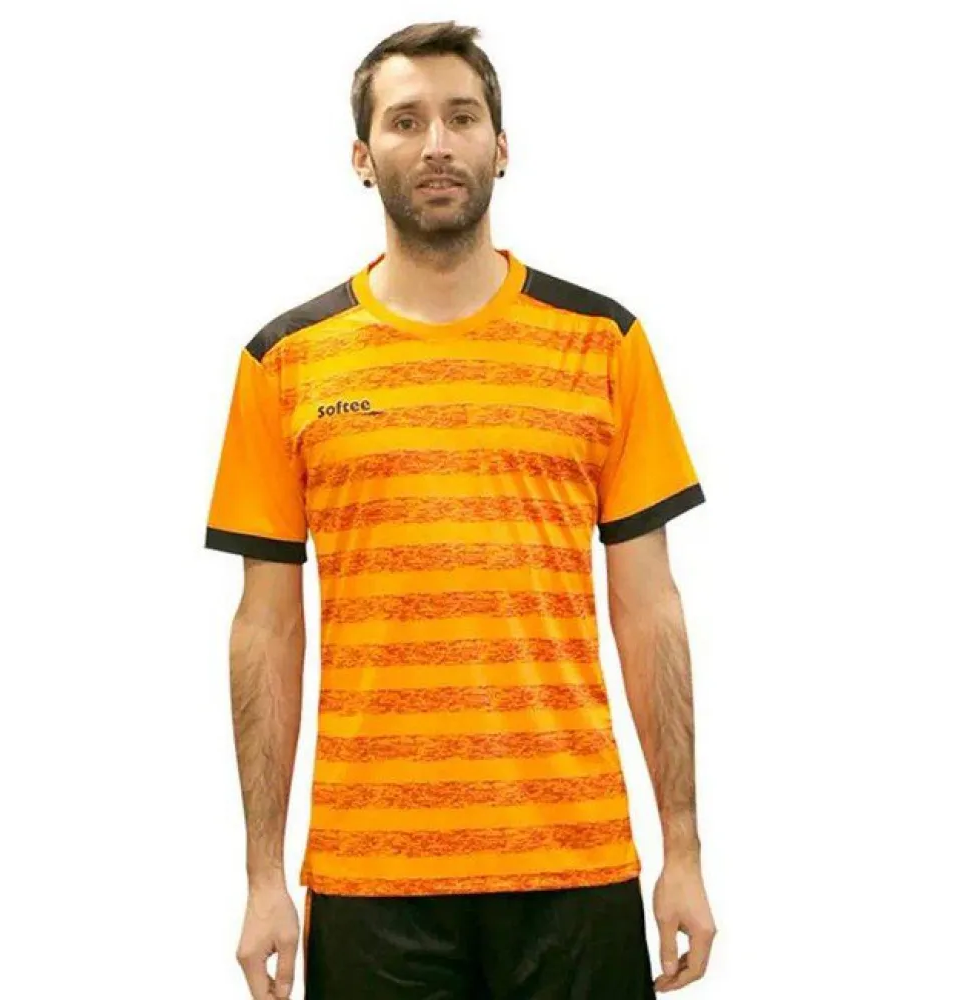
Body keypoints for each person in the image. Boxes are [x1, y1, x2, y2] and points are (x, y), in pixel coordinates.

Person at [204, 19, 716, 999]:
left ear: (501, 146)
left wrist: (682, 849)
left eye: (462, 117)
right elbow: (266, 627)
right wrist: (262, 876)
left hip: (575, 865)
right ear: (362, 156)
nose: (436, 142)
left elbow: (648, 607)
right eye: (405, 120)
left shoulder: (602, 342)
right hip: (371, 879)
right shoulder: (283, 362)